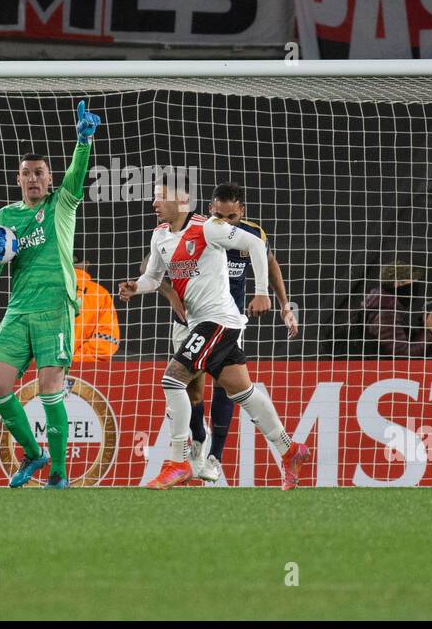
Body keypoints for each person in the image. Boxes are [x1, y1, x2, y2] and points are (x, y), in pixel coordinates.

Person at [118, 183, 310, 490]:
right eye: (154, 197)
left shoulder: (209, 228)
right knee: (242, 392)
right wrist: (135, 287)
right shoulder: (160, 236)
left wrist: (262, 293)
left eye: (161, 197)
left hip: (219, 320)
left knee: (172, 380)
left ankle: (178, 461)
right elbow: (153, 278)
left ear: (183, 201)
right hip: (203, 324)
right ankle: (290, 451)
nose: (154, 203)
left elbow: (258, 246)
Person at [0, 102, 101, 489]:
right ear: (18, 179)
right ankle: (33, 453)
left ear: (49, 178)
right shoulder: (5, 217)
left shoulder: (62, 203)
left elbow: (77, 175)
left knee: (50, 389)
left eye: (39, 173)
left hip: (55, 308)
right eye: (26, 174)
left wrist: (83, 142)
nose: (33, 179)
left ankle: (58, 474)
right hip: (19, 310)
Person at [362, 260, 432, 356]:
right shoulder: (386, 313)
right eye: (412, 282)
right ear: (398, 283)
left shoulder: (387, 307)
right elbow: (403, 355)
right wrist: (428, 332)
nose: (415, 286)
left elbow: (407, 348)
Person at [72, 259, 120, 364]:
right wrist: (74, 360)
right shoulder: (99, 294)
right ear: (87, 263)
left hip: (38, 370)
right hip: (85, 373)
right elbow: (107, 342)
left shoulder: (40, 290)